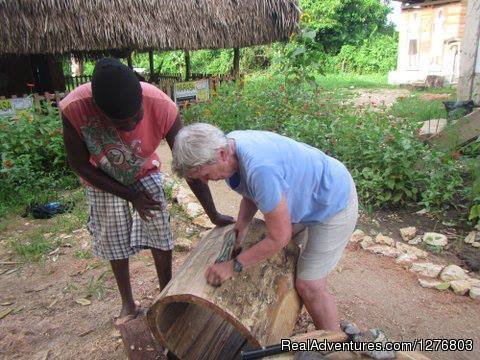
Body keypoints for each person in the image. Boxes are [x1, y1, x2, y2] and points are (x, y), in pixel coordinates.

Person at [60, 58, 232, 320]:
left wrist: (213, 214)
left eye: (135, 118)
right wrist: (130, 196)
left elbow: (189, 165)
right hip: (101, 175)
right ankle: (128, 303)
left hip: (144, 169)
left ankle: (167, 294)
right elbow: (79, 164)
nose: (130, 127)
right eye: (120, 123)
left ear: (142, 97)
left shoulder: (163, 107)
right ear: (98, 110)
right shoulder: (74, 108)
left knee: (158, 227)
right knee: (114, 234)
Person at [172, 123, 358, 331]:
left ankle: (333, 346)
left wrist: (232, 266)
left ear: (222, 154)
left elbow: (280, 237)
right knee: (281, 258)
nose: (206, 182)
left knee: (309, 285)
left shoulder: (260, 169)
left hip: (333, 201)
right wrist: (240, 229)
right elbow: (251, 193)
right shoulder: (229, 146)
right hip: (308, 196)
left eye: (205, 175)